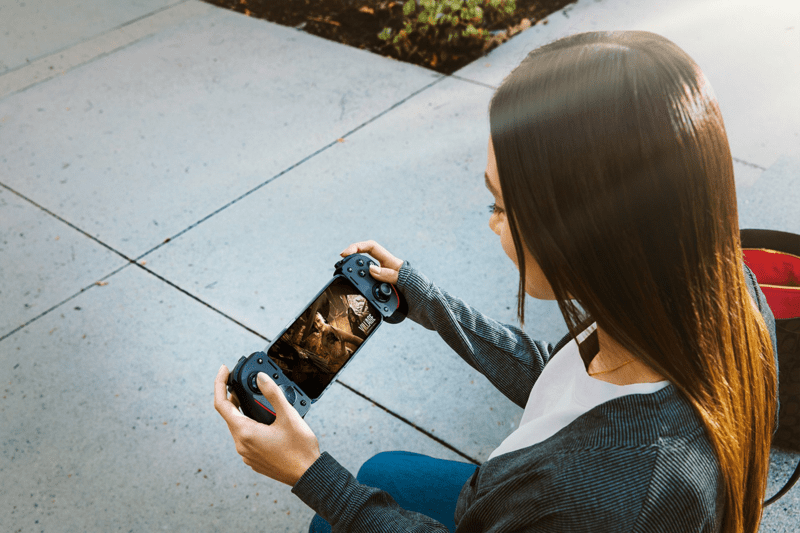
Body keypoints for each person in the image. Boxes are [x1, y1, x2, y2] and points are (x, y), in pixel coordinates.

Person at [214, 30, 779, 532]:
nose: (491, 222)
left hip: (522, 504)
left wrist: (310, 474)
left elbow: (576, 478)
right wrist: (429, 303)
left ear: (588, 233)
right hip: (508, 496)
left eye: (501, 205)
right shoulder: (719, 295)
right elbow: (565, 381)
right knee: (380, 471)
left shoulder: (605, 497)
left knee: (336, 509)